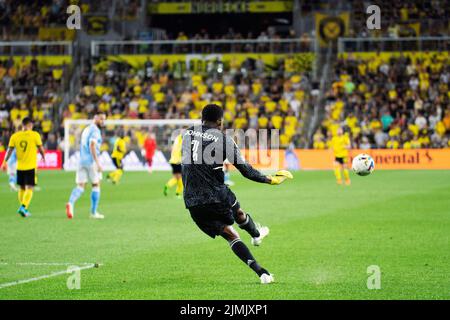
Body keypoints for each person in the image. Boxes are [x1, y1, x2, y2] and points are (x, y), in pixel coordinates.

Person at [182, 104, 293, 283]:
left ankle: (262, 270)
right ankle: (256, 236)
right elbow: (246, 171)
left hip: (192, 200)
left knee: (231, 235)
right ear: (220, 121)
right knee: (237, 211)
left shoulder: (187, 133)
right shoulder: (224, 139)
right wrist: (271, 179)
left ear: (202, 119)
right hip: (216, 194)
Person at [1, 118, 46, 217]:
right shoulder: (35, 135)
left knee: (21, 187)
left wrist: (4, 162)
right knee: (30, 187)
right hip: (30, 166)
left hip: (20, 167)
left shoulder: (15, 136)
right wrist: (43, 156)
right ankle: (23, 207)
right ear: (30, 124)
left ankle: (24, 209)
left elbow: (9, 151)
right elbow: (41, 148)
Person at [66, 113, 106, 219]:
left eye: (104, 119)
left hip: (81, 161)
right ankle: (93, 212)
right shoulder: (95, 131)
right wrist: (97, 162)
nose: (103, 121)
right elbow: (92, 145)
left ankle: (70, 203)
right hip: (91, 161)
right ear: (95, 118)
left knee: (80, 186)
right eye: (101, 119)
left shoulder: (86, 129)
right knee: (96, 185)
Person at [163, 132, 183, 198]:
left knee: (176, 177)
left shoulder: (177, 139)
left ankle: (168, 185)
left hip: (172, 160)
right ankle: (178, 193)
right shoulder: (183, 140)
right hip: (178, 161)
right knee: (180, 177)